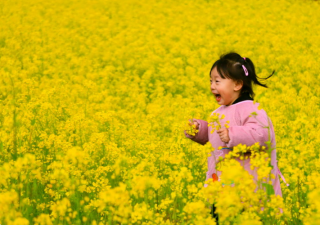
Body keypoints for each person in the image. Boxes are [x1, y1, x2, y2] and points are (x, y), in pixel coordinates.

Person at [184, 52, 288, 223]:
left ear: (238, 84)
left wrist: (232, 134)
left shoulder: (251, 108)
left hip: (249, 189)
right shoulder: (218, 112)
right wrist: (199, 129)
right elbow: (215, 136)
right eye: (211, 81)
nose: (212, 86)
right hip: (222, 188)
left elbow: (261, 135)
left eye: (217, 81)